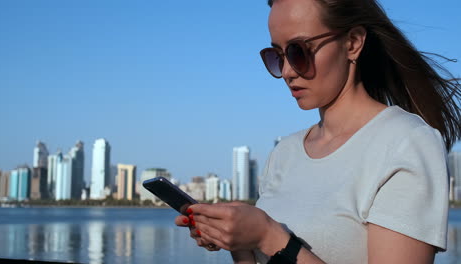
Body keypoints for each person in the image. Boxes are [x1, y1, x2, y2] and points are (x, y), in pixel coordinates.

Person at [175, 0, 461, 263]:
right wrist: (238, 241)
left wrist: (268, 236)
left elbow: (274, 241)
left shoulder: (407, 143)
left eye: (298, 51)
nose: (287, 70)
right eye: (276, 55)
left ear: (352, 43)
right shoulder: (284, 154)